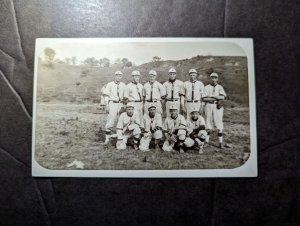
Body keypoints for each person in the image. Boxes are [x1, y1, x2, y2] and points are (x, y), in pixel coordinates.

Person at [202, 72, 227, 148]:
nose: (213, 79)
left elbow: (222, 97)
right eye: (212, 78)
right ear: (210, 78)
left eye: (215, 78)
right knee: (208, 122)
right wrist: (217, 97)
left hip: (217, 105)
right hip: (208, 105)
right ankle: (206, 141)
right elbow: (204, 98)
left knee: (219, 123)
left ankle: (220, 142)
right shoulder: (206, 87)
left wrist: (212, 96)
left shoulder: (220, 87)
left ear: (217, 79)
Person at [103, 71, 126, 145]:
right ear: (115, 76)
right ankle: (107, 138)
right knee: (111, 120)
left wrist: (124, 105)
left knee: (121, 120)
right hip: (112, 103)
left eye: (120, 76)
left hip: (121, 104)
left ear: (121, 77)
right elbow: (106, 95)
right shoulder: (110, 84)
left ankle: (120, 138)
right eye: (117, 76)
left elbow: (125, 96)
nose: (118, 77)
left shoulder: (123, 85)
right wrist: (106, 105)